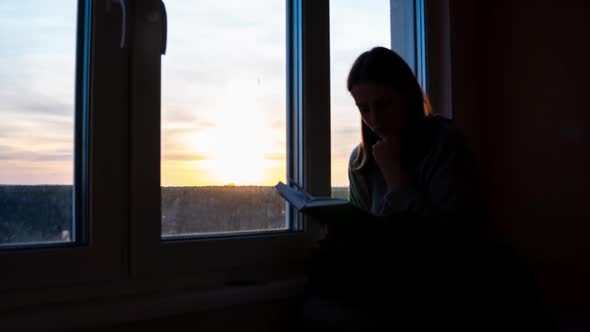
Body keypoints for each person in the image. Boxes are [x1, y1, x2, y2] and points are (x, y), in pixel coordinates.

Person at [303, 47, 554, 331]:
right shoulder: (361, 161)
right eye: (364, 108)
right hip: (389, 270)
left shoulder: (444, 144)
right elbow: (366, 233)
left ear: (408, 99)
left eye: (383, 104)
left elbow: (452, 239)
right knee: (320, 272)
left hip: (447, 273)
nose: (374, 118)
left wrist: (396, 176)